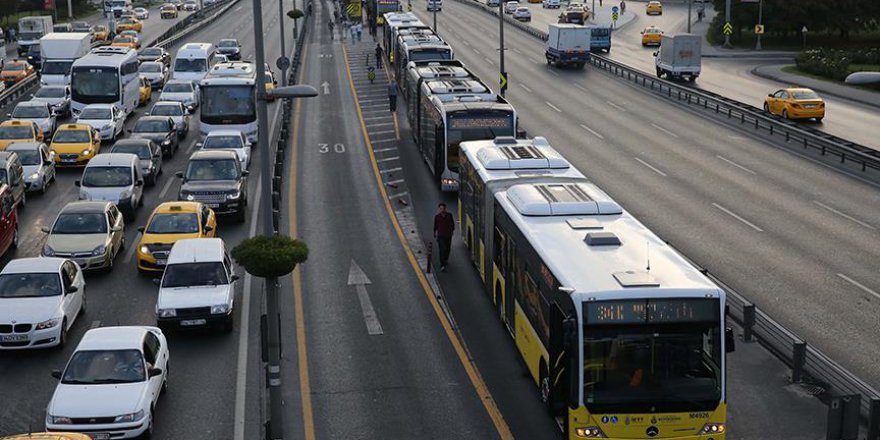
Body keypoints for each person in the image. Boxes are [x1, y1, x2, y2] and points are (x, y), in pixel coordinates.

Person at [433, 203, 455, 271]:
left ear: (445, 209)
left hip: (448, 235)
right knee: (442, 249)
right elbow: (435, 226)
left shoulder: (449, 215)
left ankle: (445, 259)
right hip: (440, 236)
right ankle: (442, 264)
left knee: (447, 249)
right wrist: (434, 233)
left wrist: (452, 231)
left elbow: (452, 224)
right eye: (440, 209)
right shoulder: (437, 217)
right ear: (439, 209)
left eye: (443, 208)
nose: (442, 210)